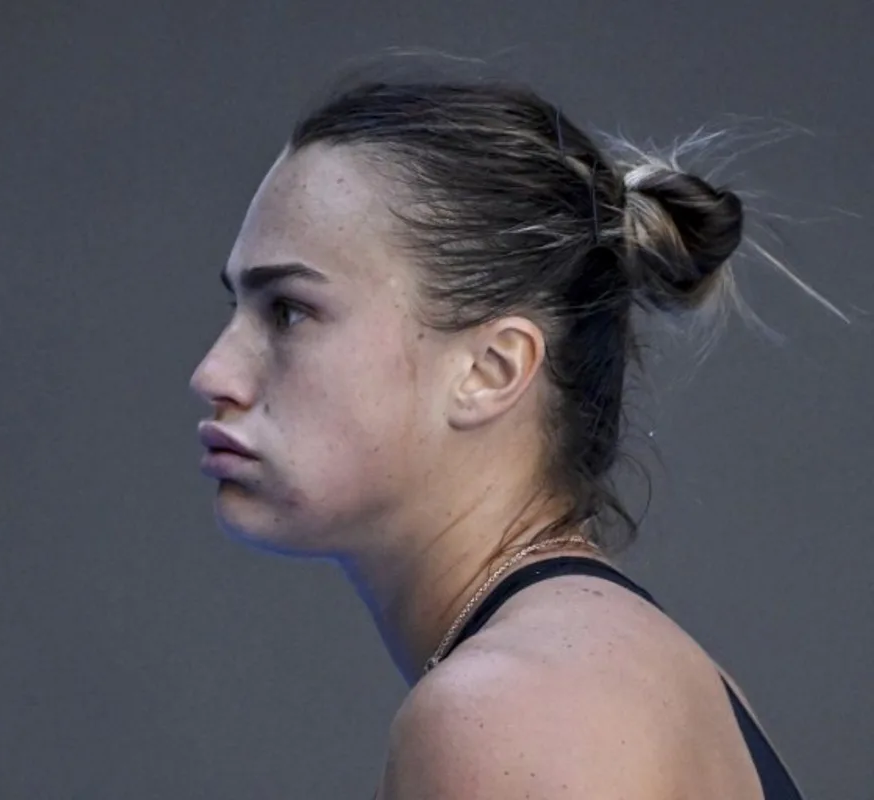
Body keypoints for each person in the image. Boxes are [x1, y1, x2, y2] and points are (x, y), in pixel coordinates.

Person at [190, 69, 810, 799]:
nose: (214, 372)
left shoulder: (513, 709)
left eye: (289, 311)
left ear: (490, 368)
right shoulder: (612, 672)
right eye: (239, 308)